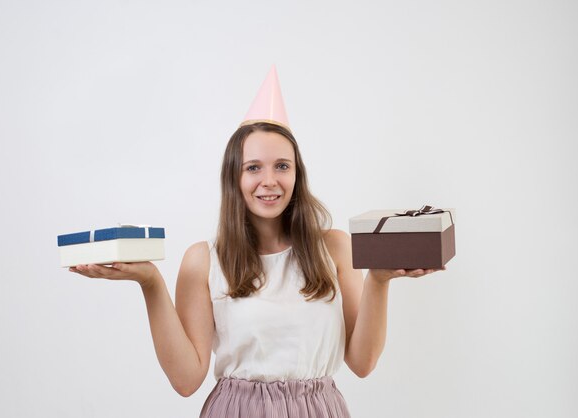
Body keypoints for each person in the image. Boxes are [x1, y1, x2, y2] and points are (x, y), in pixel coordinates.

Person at [69, 67, 443, 417]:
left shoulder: (334, 248)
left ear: (297, 174)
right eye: (253, 167)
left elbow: (362, 363)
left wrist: (378, 281)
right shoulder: (204, 260)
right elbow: (186, 381)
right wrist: (150, 282)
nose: (269, 180)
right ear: (234, 177)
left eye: (282, 165)